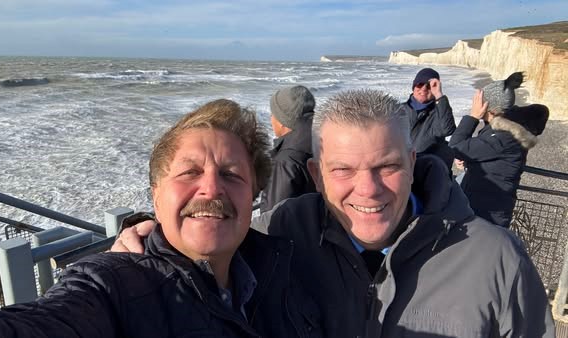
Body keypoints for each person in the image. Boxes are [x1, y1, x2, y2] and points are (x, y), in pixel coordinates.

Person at [115, 89, 554, 337]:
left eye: (387, 166)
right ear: (316, 174)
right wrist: (143, 245)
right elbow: (213, 229)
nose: (368, 189)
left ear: (413, 162)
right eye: (343, 169)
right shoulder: (284, 232)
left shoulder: (496, 259)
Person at [0, 99, 323, 338]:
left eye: (232, 174)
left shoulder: (283, 267)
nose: (211, 189)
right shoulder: (116, 285)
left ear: (255, 195)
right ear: (155, 193)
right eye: (189, 172)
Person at [449, 73, 549, 228]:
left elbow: (455, 146)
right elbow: (492, 159)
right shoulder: (505, 129)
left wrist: (473, 117)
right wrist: (469, 160)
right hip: (487, 207)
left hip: (488, 214)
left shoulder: (503, 137)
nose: (475, 104)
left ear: (490, 108)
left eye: (479, 102)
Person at [259, 85, 316, 213]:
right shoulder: (326, 137)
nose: (271, 119)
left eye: (273, 114)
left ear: (283, 121)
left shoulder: (285, 160)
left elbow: (274, 216)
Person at [400, 67, 456, 170]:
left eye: (429, 86)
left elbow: (448, 130)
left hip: (429, 171)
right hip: (403, 168)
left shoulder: (439, 111)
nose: (424, 89)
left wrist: (439, 95)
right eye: (420, 84)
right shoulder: (399, 110)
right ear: (413, 87)